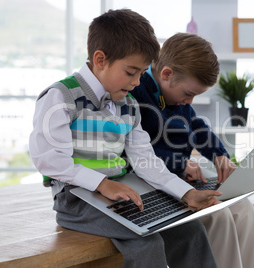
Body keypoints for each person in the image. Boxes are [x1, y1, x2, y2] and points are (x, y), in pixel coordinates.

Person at [29, 10, 220, 268]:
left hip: (121, 193)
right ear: (100, 59)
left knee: (191, 233)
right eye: (131, 72)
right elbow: (49, 161)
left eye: (141, 73)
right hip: (75, 200)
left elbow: (146, 161)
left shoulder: (128, 104)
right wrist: (103, 183)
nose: (137, 82)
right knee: (147, 244)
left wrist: (187, 193)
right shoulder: (60, 97)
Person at [131, 32, 254, 268]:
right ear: (167, 74)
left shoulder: (175, 98)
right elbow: (135, 152)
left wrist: (219, 155)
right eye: (189, 93)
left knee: (243, 210)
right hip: (151, 186)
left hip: (177, 180)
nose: (189, 102)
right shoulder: (134, 92)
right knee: (216, 215)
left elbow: (197, 126)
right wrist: (179, 163)